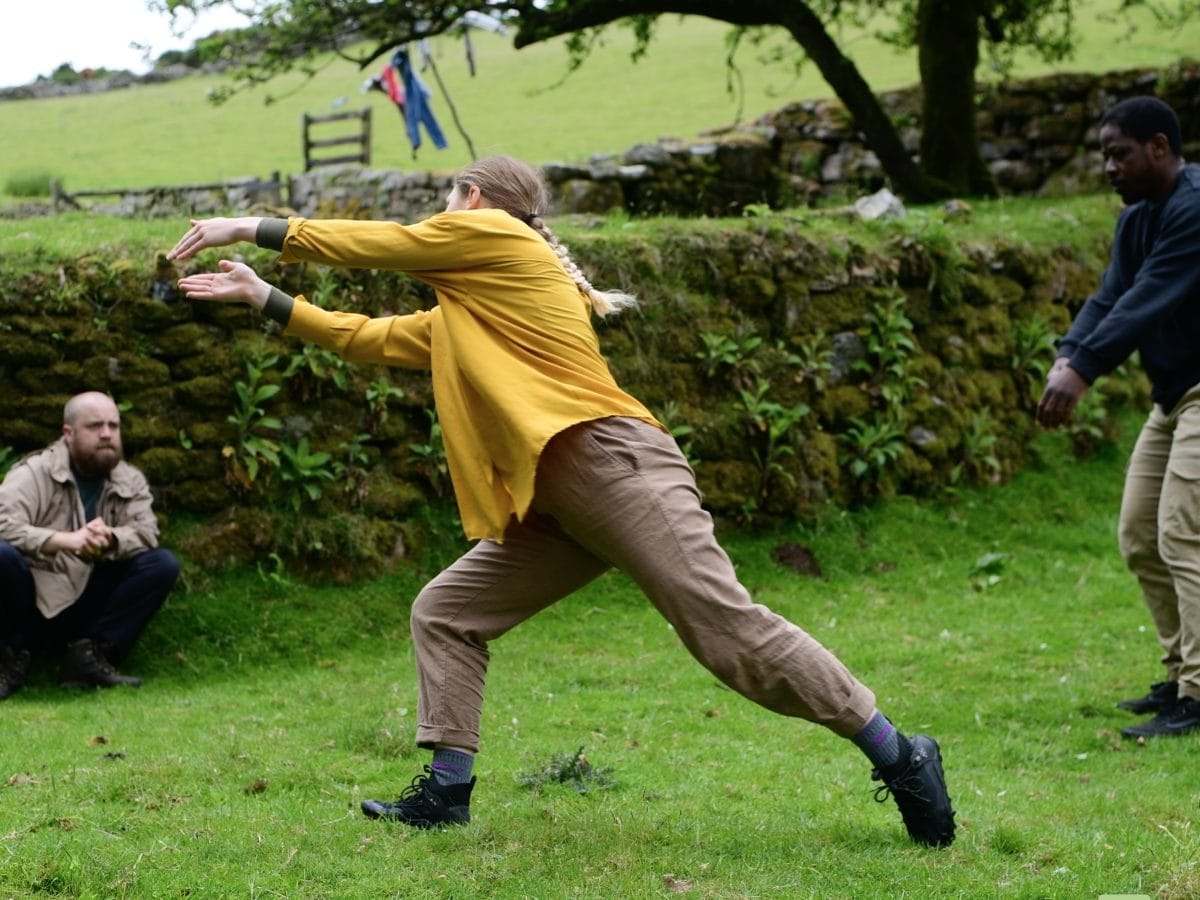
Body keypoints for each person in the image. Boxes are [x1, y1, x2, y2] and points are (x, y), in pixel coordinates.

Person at [167, 155, 956, 846]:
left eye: (447, 201)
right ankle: (445, 794)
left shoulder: (501, 239)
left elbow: (389, 245)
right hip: (558, 496)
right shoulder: (476, 308)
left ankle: (900, 754)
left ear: (473, 198)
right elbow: (368, 336)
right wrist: (264, 295)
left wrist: (247, 226)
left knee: (726, 632)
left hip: (615, 466)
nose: (441, 216)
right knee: (448, 613)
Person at [1036, 96, 1200, 740]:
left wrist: (1084, 370)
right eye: (1104, 155)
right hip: (1174, 395)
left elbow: (1149, 297)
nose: (1108, 167)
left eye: (1119, 153)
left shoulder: (1193, 207)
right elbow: (1110, 295)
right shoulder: (1136, 220)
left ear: (1159, 147)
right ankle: (1180, 674)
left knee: (1182, 533)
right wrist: (1069, 353)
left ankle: (1199, 692)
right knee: (1139, 534)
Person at [0, 392, 180, 699]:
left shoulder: (129, 479)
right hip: (33, 602)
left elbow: (147, 532)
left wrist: (110, 539)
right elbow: (3, 523)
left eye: (113, 425)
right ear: (68, 433)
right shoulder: (34, 473)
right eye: (95, 426)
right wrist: (63, 541)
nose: (107, 434)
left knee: (162, 564)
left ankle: (89, 656)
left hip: (87, 603)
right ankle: (9, 656)